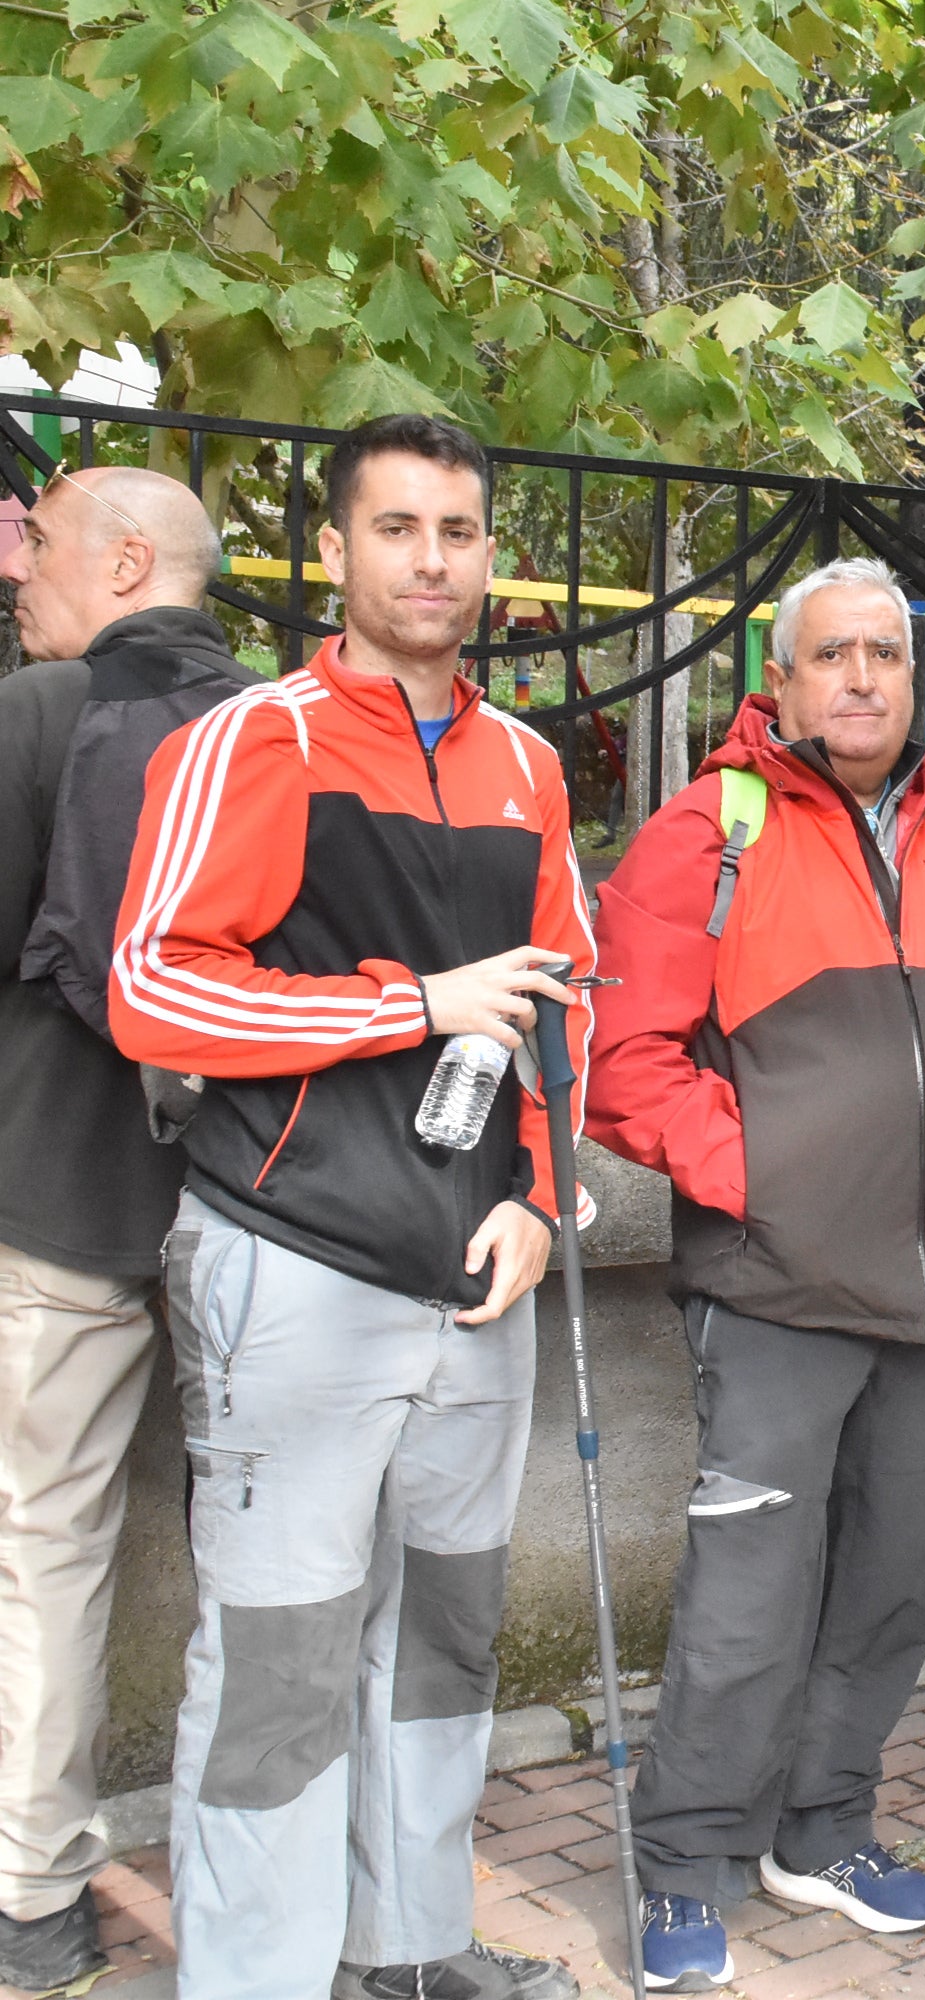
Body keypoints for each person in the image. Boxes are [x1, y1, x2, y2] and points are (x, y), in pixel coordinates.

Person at [106, 415, 595, 1999]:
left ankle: (414, 1949)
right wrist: (411, 1001)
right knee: (282, 1664)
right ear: (335, 551)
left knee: (445, 1641)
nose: (432, 560)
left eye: (458, 529)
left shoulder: (526, 766)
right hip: (292, 1259)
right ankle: (257, 1976)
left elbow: (563, 1003)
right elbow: (153, 994)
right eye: (397, 529)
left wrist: (543, 1193)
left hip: (480, 1273)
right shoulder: (257, 740)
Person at [583, 559, 925, 1982]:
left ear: (911, 677)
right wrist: (772, 1179)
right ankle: (681, 1860)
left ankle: (821, 1826)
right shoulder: (706, 833)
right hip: (781, 1284)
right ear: (781, 678)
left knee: (886, 1586)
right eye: (832, 655)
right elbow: (627, 1066)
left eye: (884, 656)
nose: (861, 678)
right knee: (749, 1592)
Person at [0, 466, 247, 1992]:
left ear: (125, 560)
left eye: (39, 543)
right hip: (267, 1211)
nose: (19, 570)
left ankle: (31, 1894)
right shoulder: (285, 722)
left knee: (46, 1551)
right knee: (276, 1562)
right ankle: (263, 1881)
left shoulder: (36, 717)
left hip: (63, 1197)